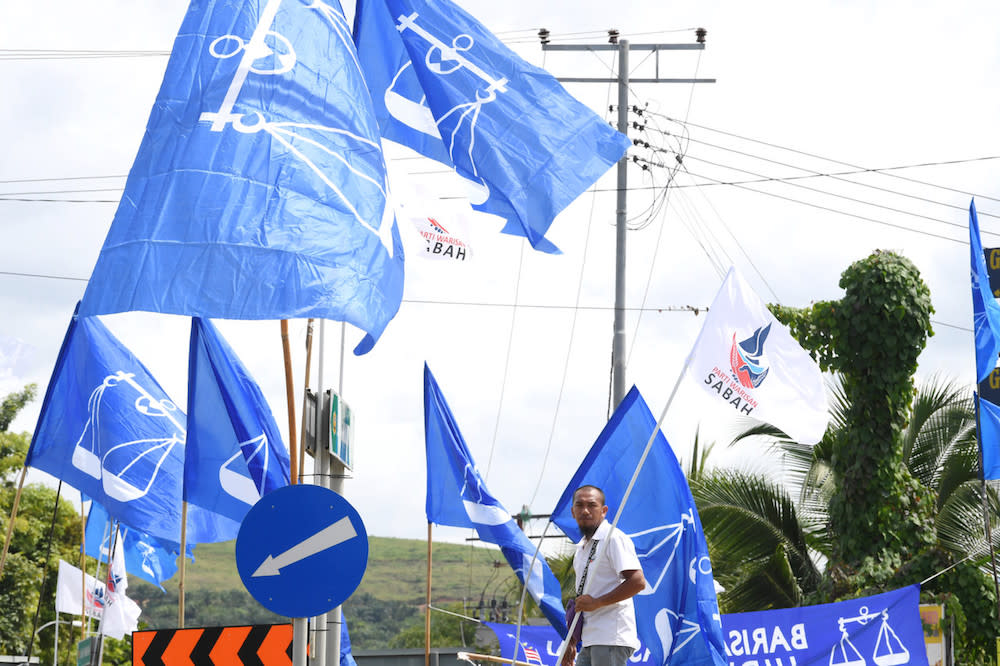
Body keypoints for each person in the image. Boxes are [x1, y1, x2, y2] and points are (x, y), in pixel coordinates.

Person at [562, 485, 646, 666]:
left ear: (603, 511)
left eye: (592, 505)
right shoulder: (582, 547)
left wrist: (597, 602)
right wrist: (572, 640)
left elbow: (638, 582)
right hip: (590, 637)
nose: (585, 510)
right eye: (580, 505)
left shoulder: (613, 538)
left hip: (610, 637)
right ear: (573, 512)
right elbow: (584, 597)